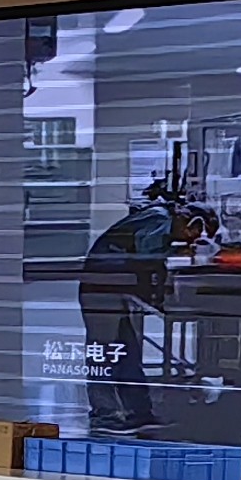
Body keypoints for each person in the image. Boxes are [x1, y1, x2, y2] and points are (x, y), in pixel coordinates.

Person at [79, 178, 196, 432]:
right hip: (102, 287)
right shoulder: (159, 219)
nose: (188, 240)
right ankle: (104, 415)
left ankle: (139, 412)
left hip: (113, 285)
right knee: (104, 353)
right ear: (187, 221)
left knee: (127, 353)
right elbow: (145, 259)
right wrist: (158, 295)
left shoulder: (160, 219)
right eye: (191, 234)